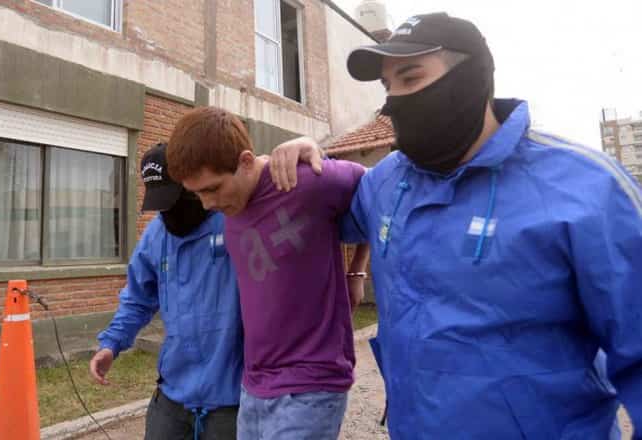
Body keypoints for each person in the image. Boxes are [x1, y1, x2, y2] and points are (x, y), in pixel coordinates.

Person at [269, 12, 642, 440]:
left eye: (411, 77)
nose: (395, 100)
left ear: (474, 74)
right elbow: (329, 217)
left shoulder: (588, 188)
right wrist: (309, 158)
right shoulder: (388, 181)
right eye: (388, 86)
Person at [164, 106, 370, 440]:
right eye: (197, 193)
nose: (206, 204)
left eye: (212, 189)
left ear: (245, 162)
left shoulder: (302, 181)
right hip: (253, 387)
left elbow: (379, 193)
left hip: (310, 383)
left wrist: (357, 271)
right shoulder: (230, 208)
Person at [90, 142, 243, 440]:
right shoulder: (156, 236)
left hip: (230, 400)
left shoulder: (233, 221)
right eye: (160, 204)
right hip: (173, 395)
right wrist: (111, 343)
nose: (168, 212)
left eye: (173, 199)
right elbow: (137, 298)